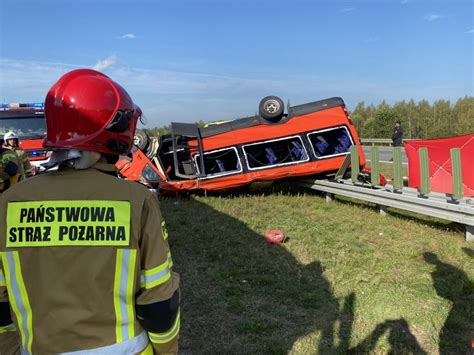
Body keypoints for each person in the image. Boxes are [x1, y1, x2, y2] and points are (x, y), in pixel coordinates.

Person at [0, 69, 180, 354]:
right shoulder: (138, 201)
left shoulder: (7, 204)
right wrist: (167, 350)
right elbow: (159, 299)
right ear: (118, 130)